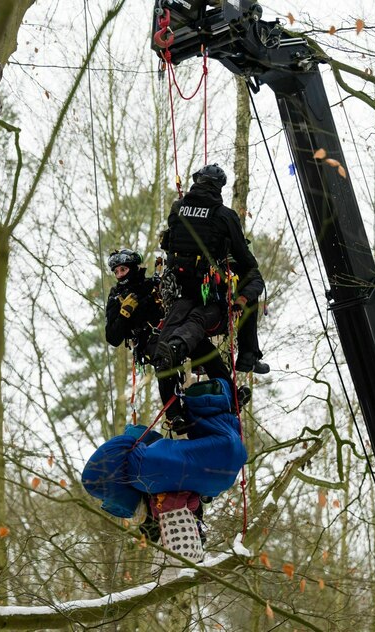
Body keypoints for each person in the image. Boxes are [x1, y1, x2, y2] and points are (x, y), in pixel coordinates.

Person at [81, 379, 247, 570]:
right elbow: (131, 445)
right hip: (197, 462)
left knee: (210, 431)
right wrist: (132, 436)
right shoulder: (144, 472)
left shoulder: (166, 491)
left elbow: (191, 497)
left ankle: (211, 398)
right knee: (145, 447)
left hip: (223, 473)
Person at [154, 164, 263, 429]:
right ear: (218, 187)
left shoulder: (178, 208)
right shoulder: (224, 216)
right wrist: (240, 294)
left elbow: (170, 243)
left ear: (197, 182)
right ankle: (245, 357)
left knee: (166, 346)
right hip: (208, 294)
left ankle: (175, 413)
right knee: (196, 324)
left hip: (179, 292)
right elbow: (247, 263)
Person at [104, 248, 162, 366]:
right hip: (148, 344)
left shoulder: (151, 285)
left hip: (172, 331)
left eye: (123, 269)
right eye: (116, 272)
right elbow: (112, 338)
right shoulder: (116, 297)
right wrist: (124, 314)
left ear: (134, 267)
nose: (120, 275)